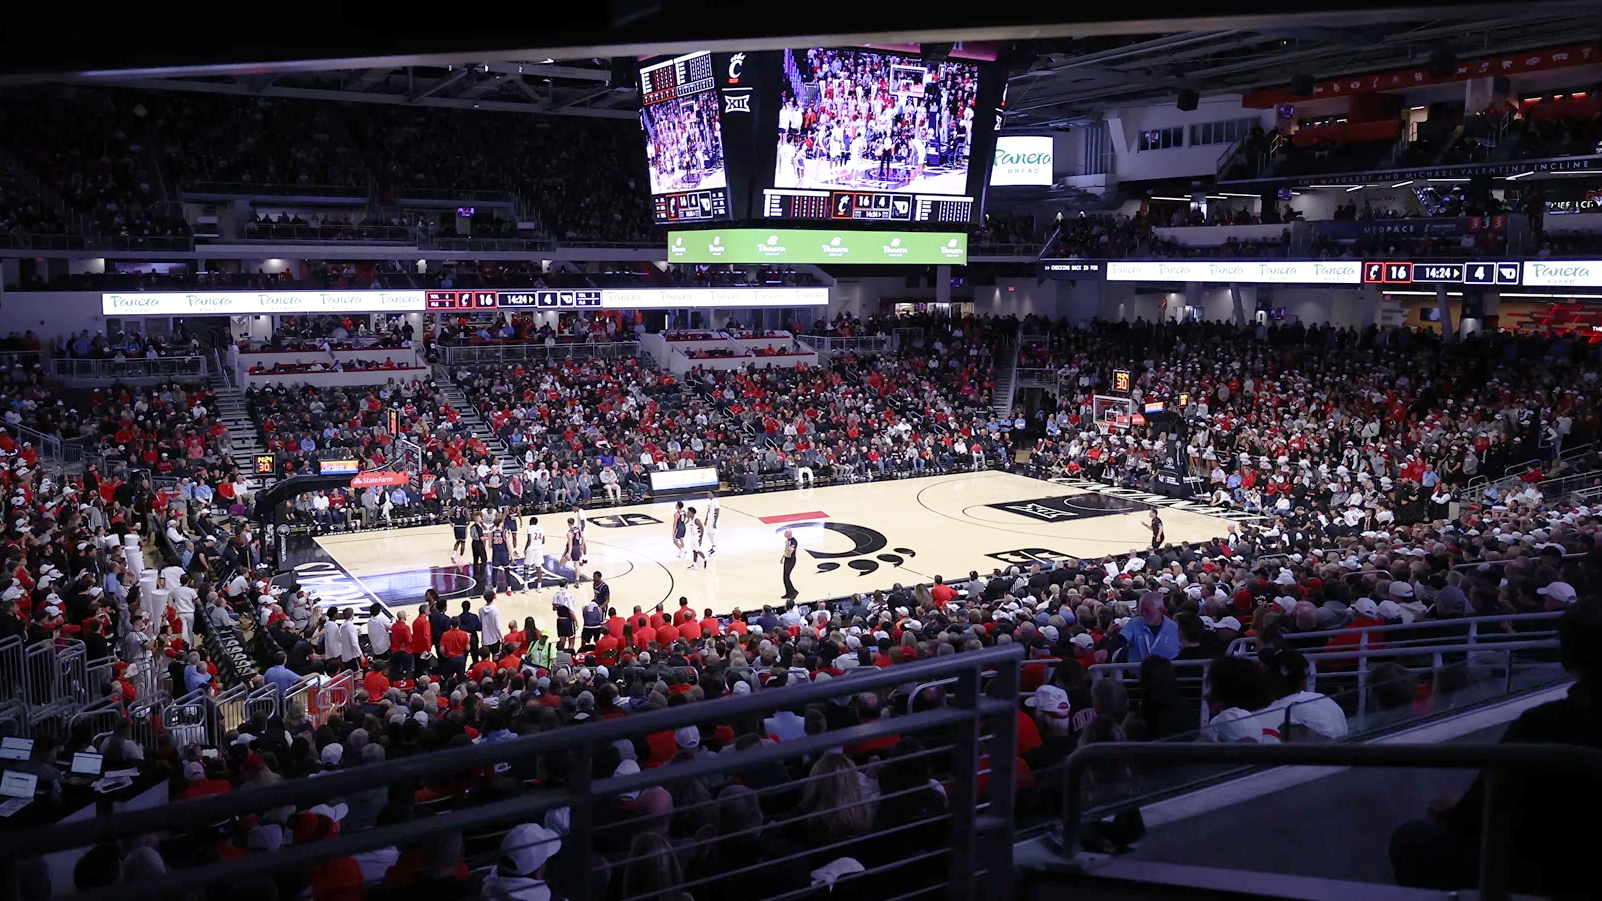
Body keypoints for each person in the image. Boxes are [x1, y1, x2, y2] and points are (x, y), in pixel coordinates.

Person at [1390, 597, 1602, 896]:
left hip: (1553, 866)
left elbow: (1478, 812)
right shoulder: (1546, 720)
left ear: (1567, 656)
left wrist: (1450, 813)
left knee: (1412, 837)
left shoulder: (1544, 722)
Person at [1122, 592, 1179, 663]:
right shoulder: (1134, 623)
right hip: (1138, 669)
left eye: (1147, 611)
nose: (1143, 614)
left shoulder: (1175, 628)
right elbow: (1122, 639)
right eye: (1141, 610)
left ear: (1161, 610)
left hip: (1167, 669)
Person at [524, 516, 545, 593]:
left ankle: (526, 586)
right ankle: (539, 587)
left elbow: (529, 540)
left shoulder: (529, 528)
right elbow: (543, 541)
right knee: (538, 567)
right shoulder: (541, 528)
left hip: (531, 547)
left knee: (526, 567)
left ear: (530, 522)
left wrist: (525, 548)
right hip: (539, 548)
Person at [780, 528, 798, 601]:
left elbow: (790, 551)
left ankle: (794, 592)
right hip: (787, 559)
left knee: (787, 576)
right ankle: (788, 592)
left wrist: (788, 548)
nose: (784, 533)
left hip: (791, 560)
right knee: (785, 577)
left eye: (786, 532)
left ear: (789, 534)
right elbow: (786, 551)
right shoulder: (787, 541)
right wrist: (782, 558)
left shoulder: (793, 541)